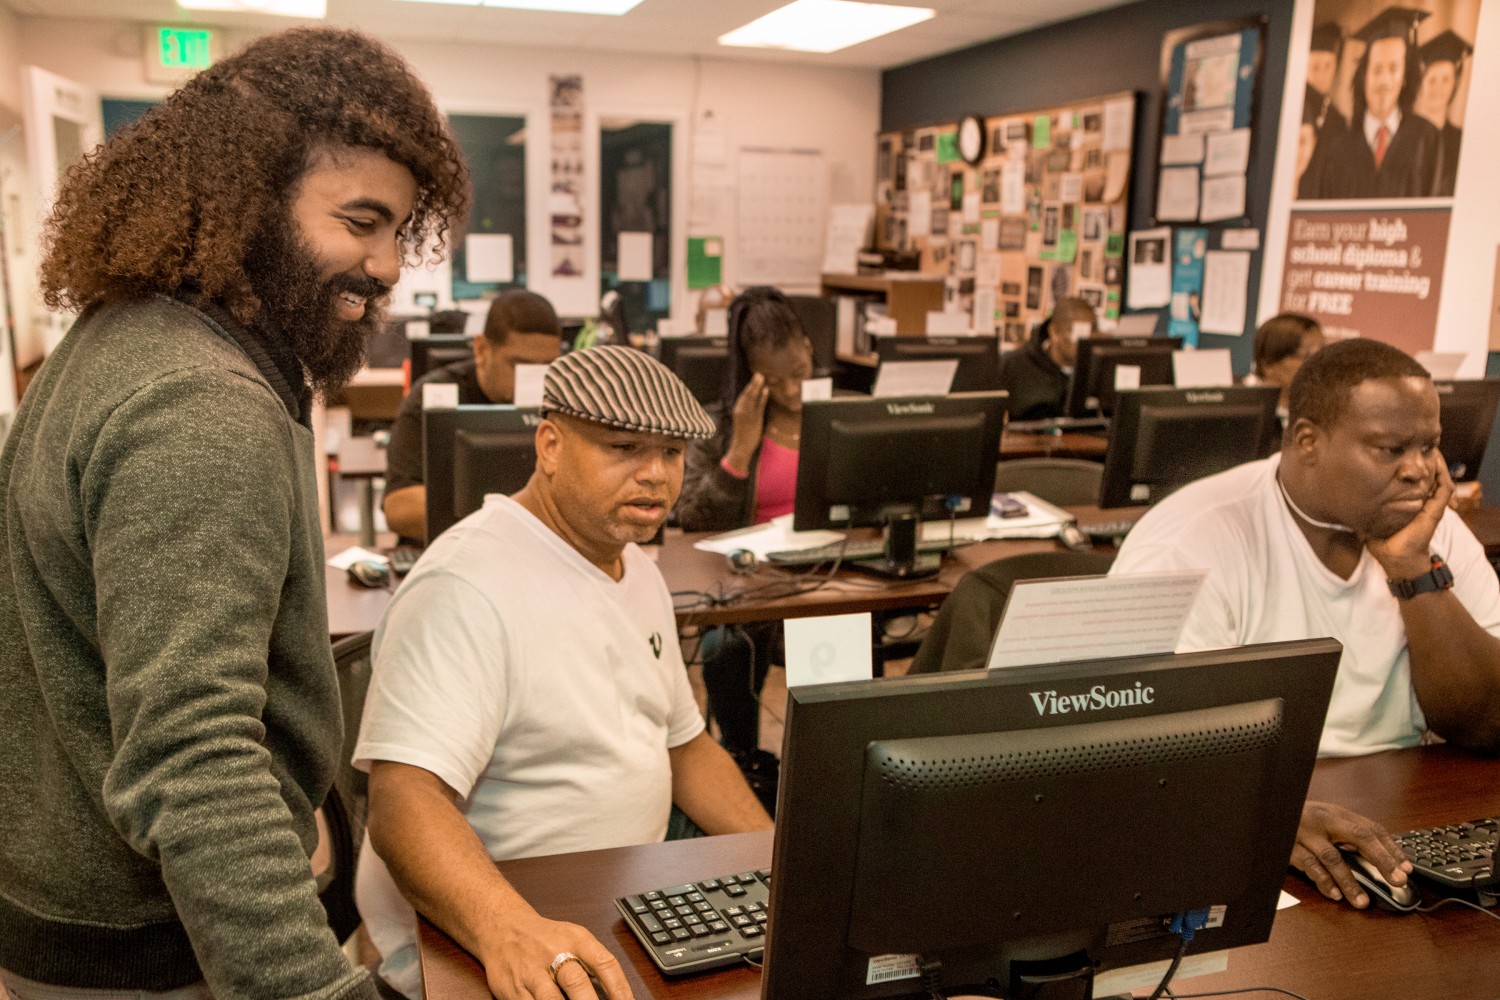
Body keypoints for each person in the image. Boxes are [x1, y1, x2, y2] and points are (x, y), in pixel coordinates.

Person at [0, 27, 468, 999]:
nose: (388, 265)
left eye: (398, 231)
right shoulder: (200, 405)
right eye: (361, 221)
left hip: (80, 909)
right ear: (248, 199)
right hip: (154, 956)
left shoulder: (125, 336)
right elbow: (196, 755)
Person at [355, 346, 774, 1000]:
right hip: (488, 931)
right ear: (549, 445)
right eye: (624, 448)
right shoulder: (465, 586)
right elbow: (403, 802)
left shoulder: (636, 568)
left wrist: (778, 862)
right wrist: (507, 928)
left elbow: (685, 746)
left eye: (671, 453)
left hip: (620, 905)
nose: (656, 475)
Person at [1111, 338, 1500, 910]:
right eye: (1391, 449)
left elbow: (1489, 722)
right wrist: (1268, 815)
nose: (1419, 472)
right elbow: (1144, 752)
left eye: (1429, 447)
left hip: (1412, 811)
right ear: (1308, 441)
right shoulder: (1191, 541)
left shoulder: (1430, 529)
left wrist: (1413, 571)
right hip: (1250, 832)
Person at [676, 287, 813, 791]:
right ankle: (744, 765)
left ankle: (825, 768)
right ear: (751, 375)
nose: (792, 391)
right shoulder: (719, 426)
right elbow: (691, 518)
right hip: (753, 583)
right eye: (774, 381)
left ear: (809, 348)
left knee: (855, 637)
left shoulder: (838, 413)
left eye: (799, 372)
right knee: (725, 646)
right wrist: (739, 452)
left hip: (833, 575)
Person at [382, 289, 563, 542]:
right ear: (481, 349)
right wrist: (512, 518)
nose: (534, 380)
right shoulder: (430, 397)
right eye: (520, 365)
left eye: (547, 367)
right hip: (453, 549)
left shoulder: (561, 404)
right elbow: (399, 509)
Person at [1309, 7, 1439, 200]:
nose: (1384, 81)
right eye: (1377, 69)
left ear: (1405, 76)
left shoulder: (1426, 140)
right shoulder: (1337, 152)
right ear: (1364, 76)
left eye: (1393, 68)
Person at [995, 297, 1096, 420]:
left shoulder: (1096, 370)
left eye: (1089, 334)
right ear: (1054, 332)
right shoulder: (1014, 365)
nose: (1083, 342)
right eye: (1078, 333)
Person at [1413, 29, 1473, 198]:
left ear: (1455, 84)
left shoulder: (1461, 141)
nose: (1438, 88)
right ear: (1421, 84)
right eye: (1432, 80)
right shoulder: (1406, 137)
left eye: (1445, 80)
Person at [1247, 312, 1325, 416]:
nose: (1318, 364)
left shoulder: (1321, 414)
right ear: (1267, 364)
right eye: (1305, 354)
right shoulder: (1240, 410)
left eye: (1322, 354)